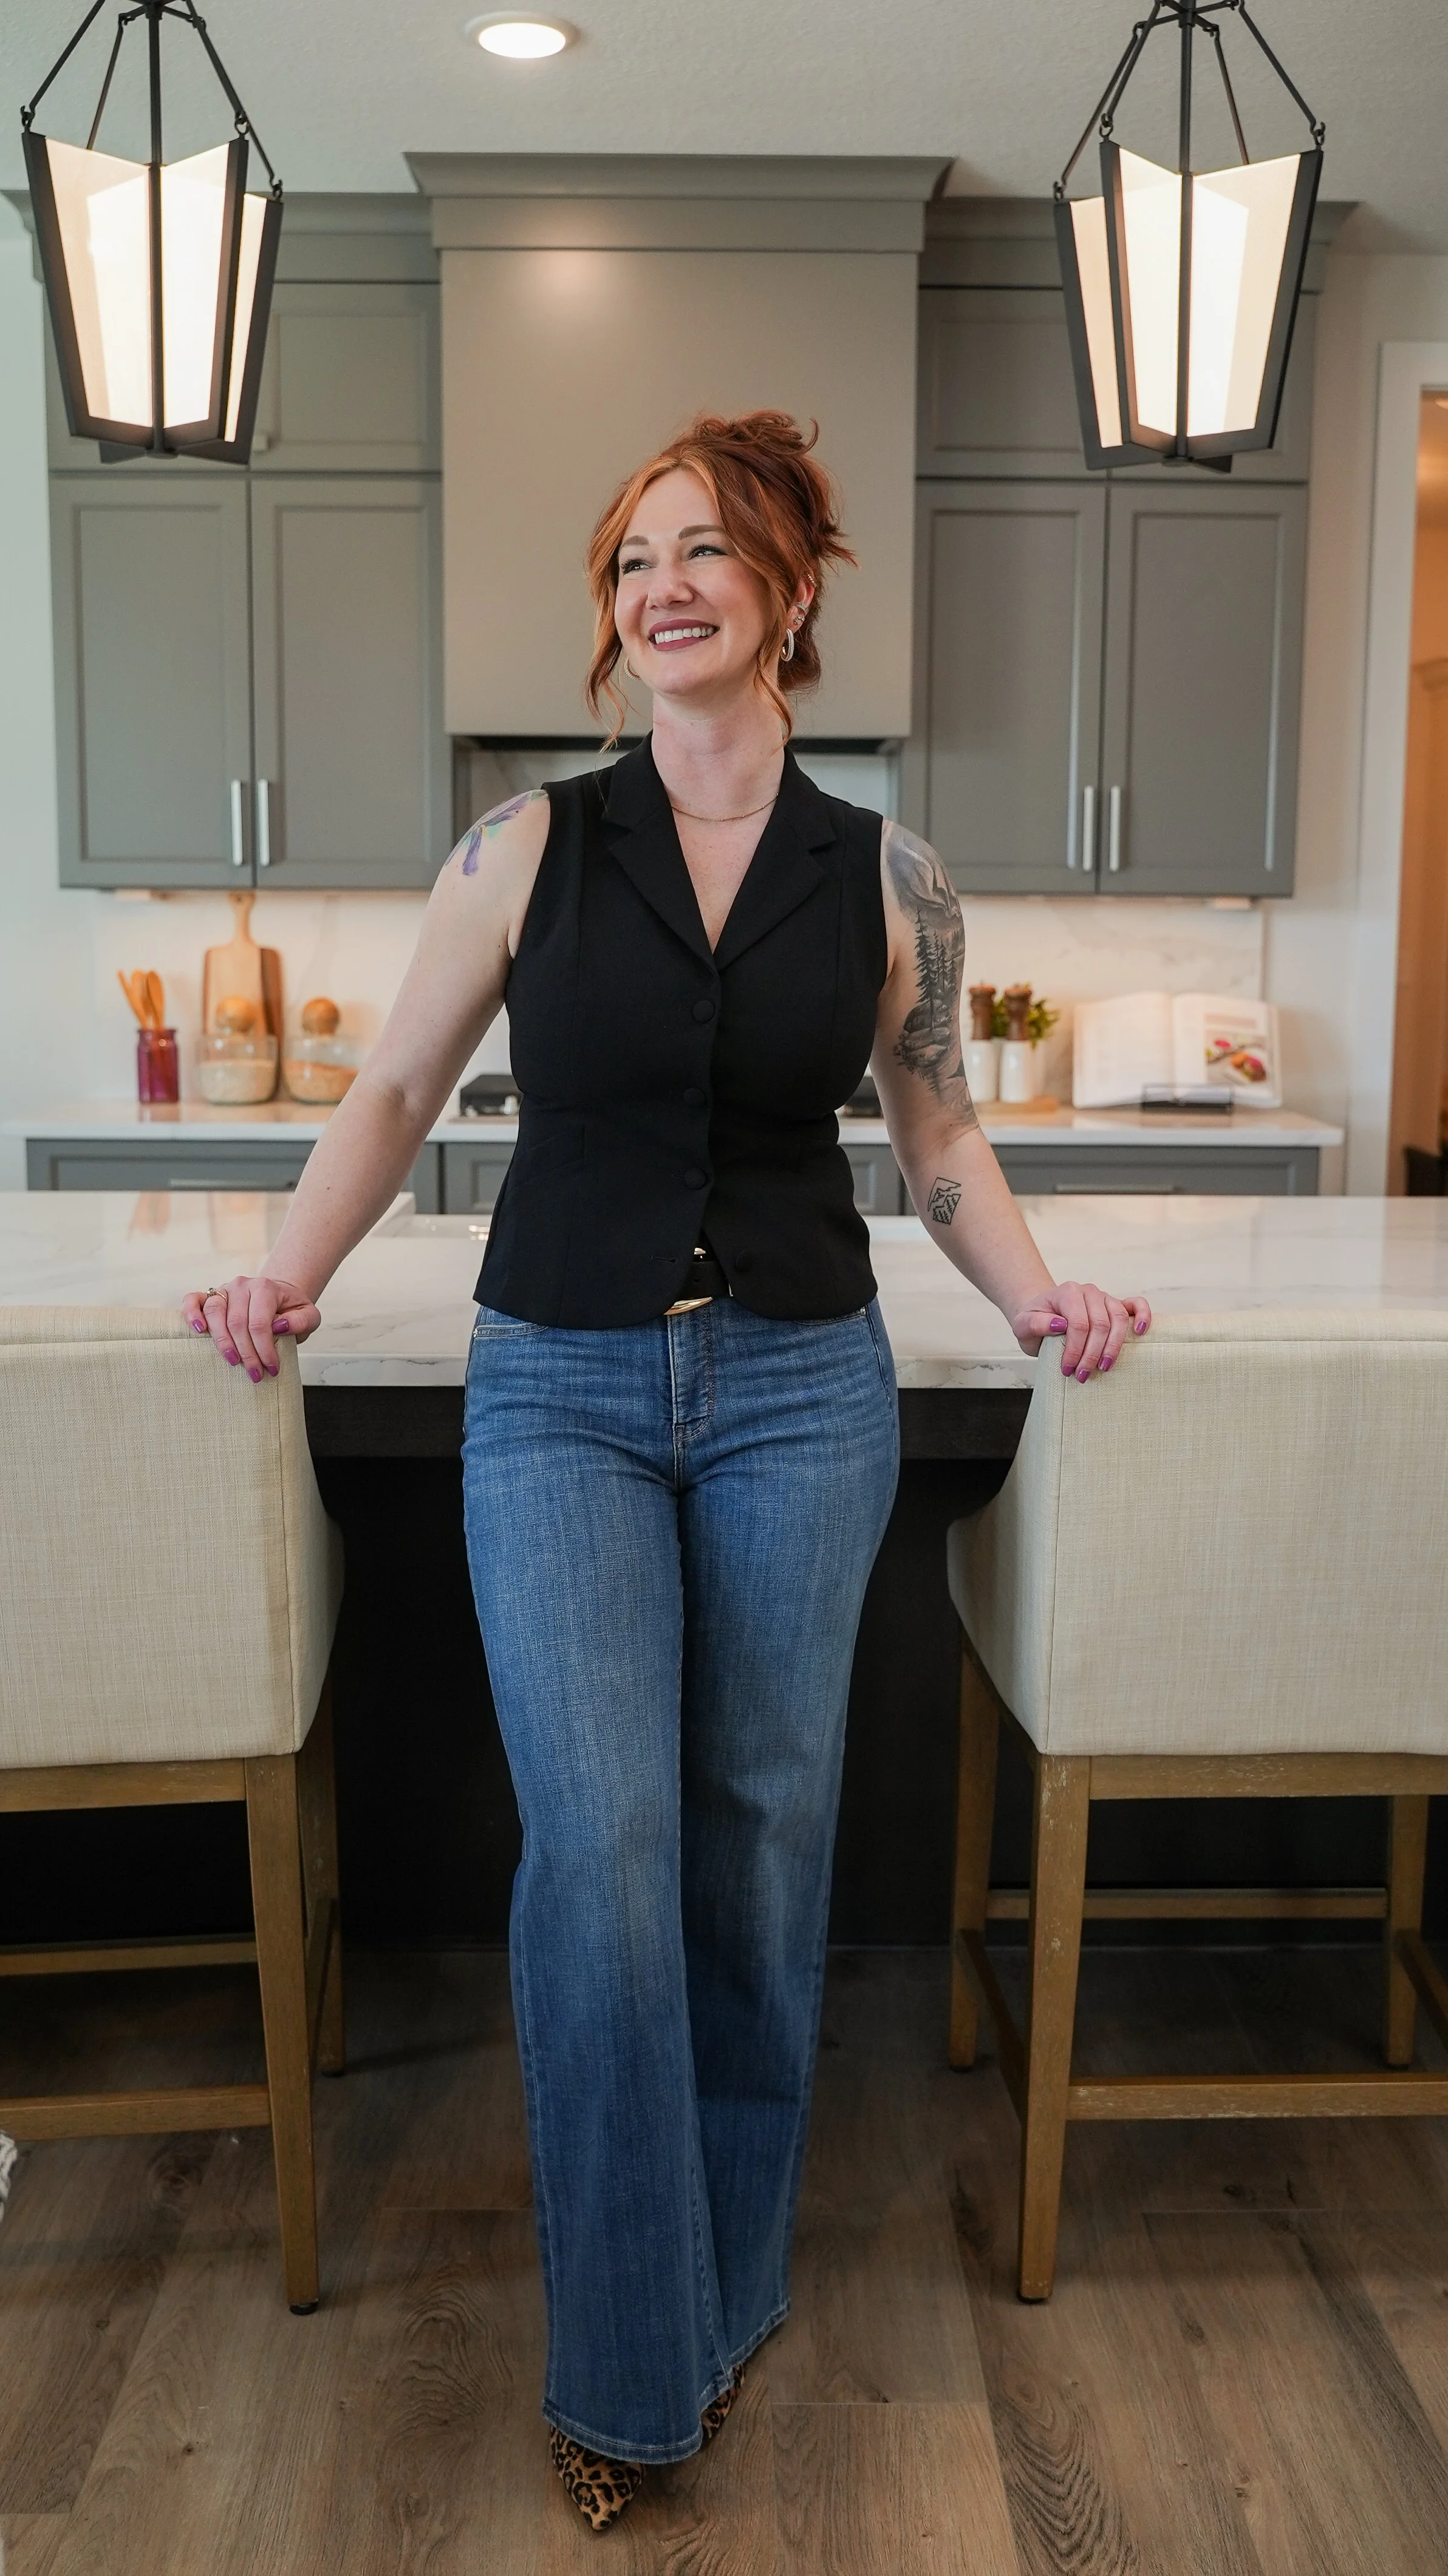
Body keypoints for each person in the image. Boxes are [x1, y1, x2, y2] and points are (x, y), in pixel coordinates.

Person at [184, 409, 1150, 2529]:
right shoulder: (528, 847)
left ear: (789, 591)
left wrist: (1042, 1297)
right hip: (563, 1394)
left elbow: (939, 1137)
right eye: (633, 561)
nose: (663, 588)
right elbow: (397, 1088)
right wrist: (282, 1277)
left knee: (760, 1835)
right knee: (603, 1850)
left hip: (808, 1389)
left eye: (706, 550)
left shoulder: (890, 879)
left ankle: (720, 2278)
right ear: (615, 618)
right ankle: (633, 2364)